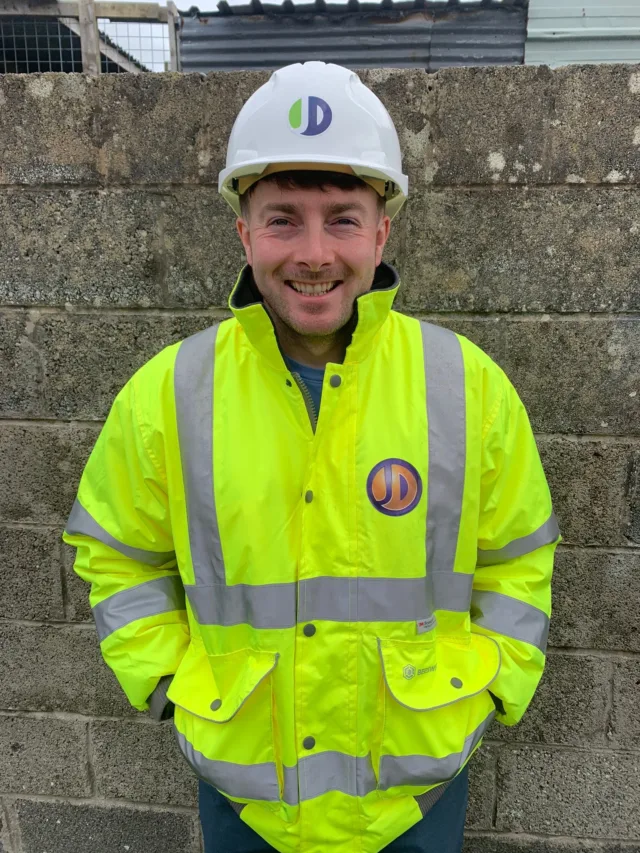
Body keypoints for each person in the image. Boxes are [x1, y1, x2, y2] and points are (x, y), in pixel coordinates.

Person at [63, 61, 559, 853]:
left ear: (382, 230)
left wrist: (493, 686)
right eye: (284, 218)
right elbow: (114, 553)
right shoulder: (170, 391)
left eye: (343, 218)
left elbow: (519, 557)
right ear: (243, 232)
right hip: (247, 796)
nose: (315, 252)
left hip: (416, 797)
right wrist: (168, 684)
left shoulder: (467, 385)